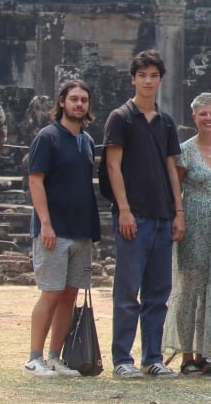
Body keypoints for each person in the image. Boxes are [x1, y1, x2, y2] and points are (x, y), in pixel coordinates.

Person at [105, 48, 184, 379]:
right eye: (142, 76)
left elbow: (171, 169)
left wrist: (178, 211)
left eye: (153, 76)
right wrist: (124, 210)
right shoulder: (121, 117)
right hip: (133, 216)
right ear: (133, 79)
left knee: (158, 293)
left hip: (162, 216)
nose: (148, 81)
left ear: (160, 80)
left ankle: (152, 357)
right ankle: (122, 358)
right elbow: (113, 164)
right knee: (127, 292)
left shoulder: (165, 122)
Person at [23, 79, 103, 378]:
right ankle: (34, 358)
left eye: (84, 99)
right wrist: (45, 223)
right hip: (53, 230)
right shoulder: (48, 137)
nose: (79, 104)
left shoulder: (86, 140)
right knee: (51, 293)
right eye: (73, 99)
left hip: (81, 230)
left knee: (69, 295)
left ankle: (55, 357)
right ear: (62, 102)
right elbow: (35, 180)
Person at [165, 92, 211, 375]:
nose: (209, 118)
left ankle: (207, 354)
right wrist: (179, 217)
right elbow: (177, 190)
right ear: (194, 117)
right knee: (190, 288)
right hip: (193, 221)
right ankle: (187, 354)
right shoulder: (184, 150)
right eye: (203, 114)